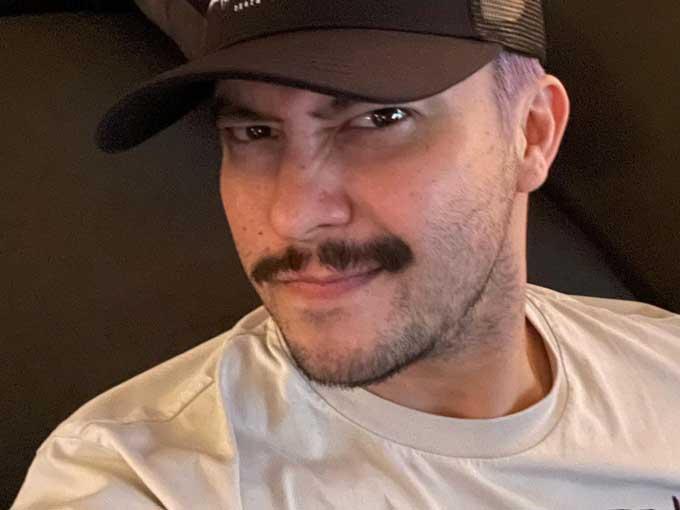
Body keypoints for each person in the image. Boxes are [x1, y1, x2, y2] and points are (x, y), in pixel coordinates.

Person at [12, 0, 680, 508]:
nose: (292, 215)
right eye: (253, 131)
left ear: (531, 133)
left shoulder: (665, 366)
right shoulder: (142, 478)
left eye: (379, 118)